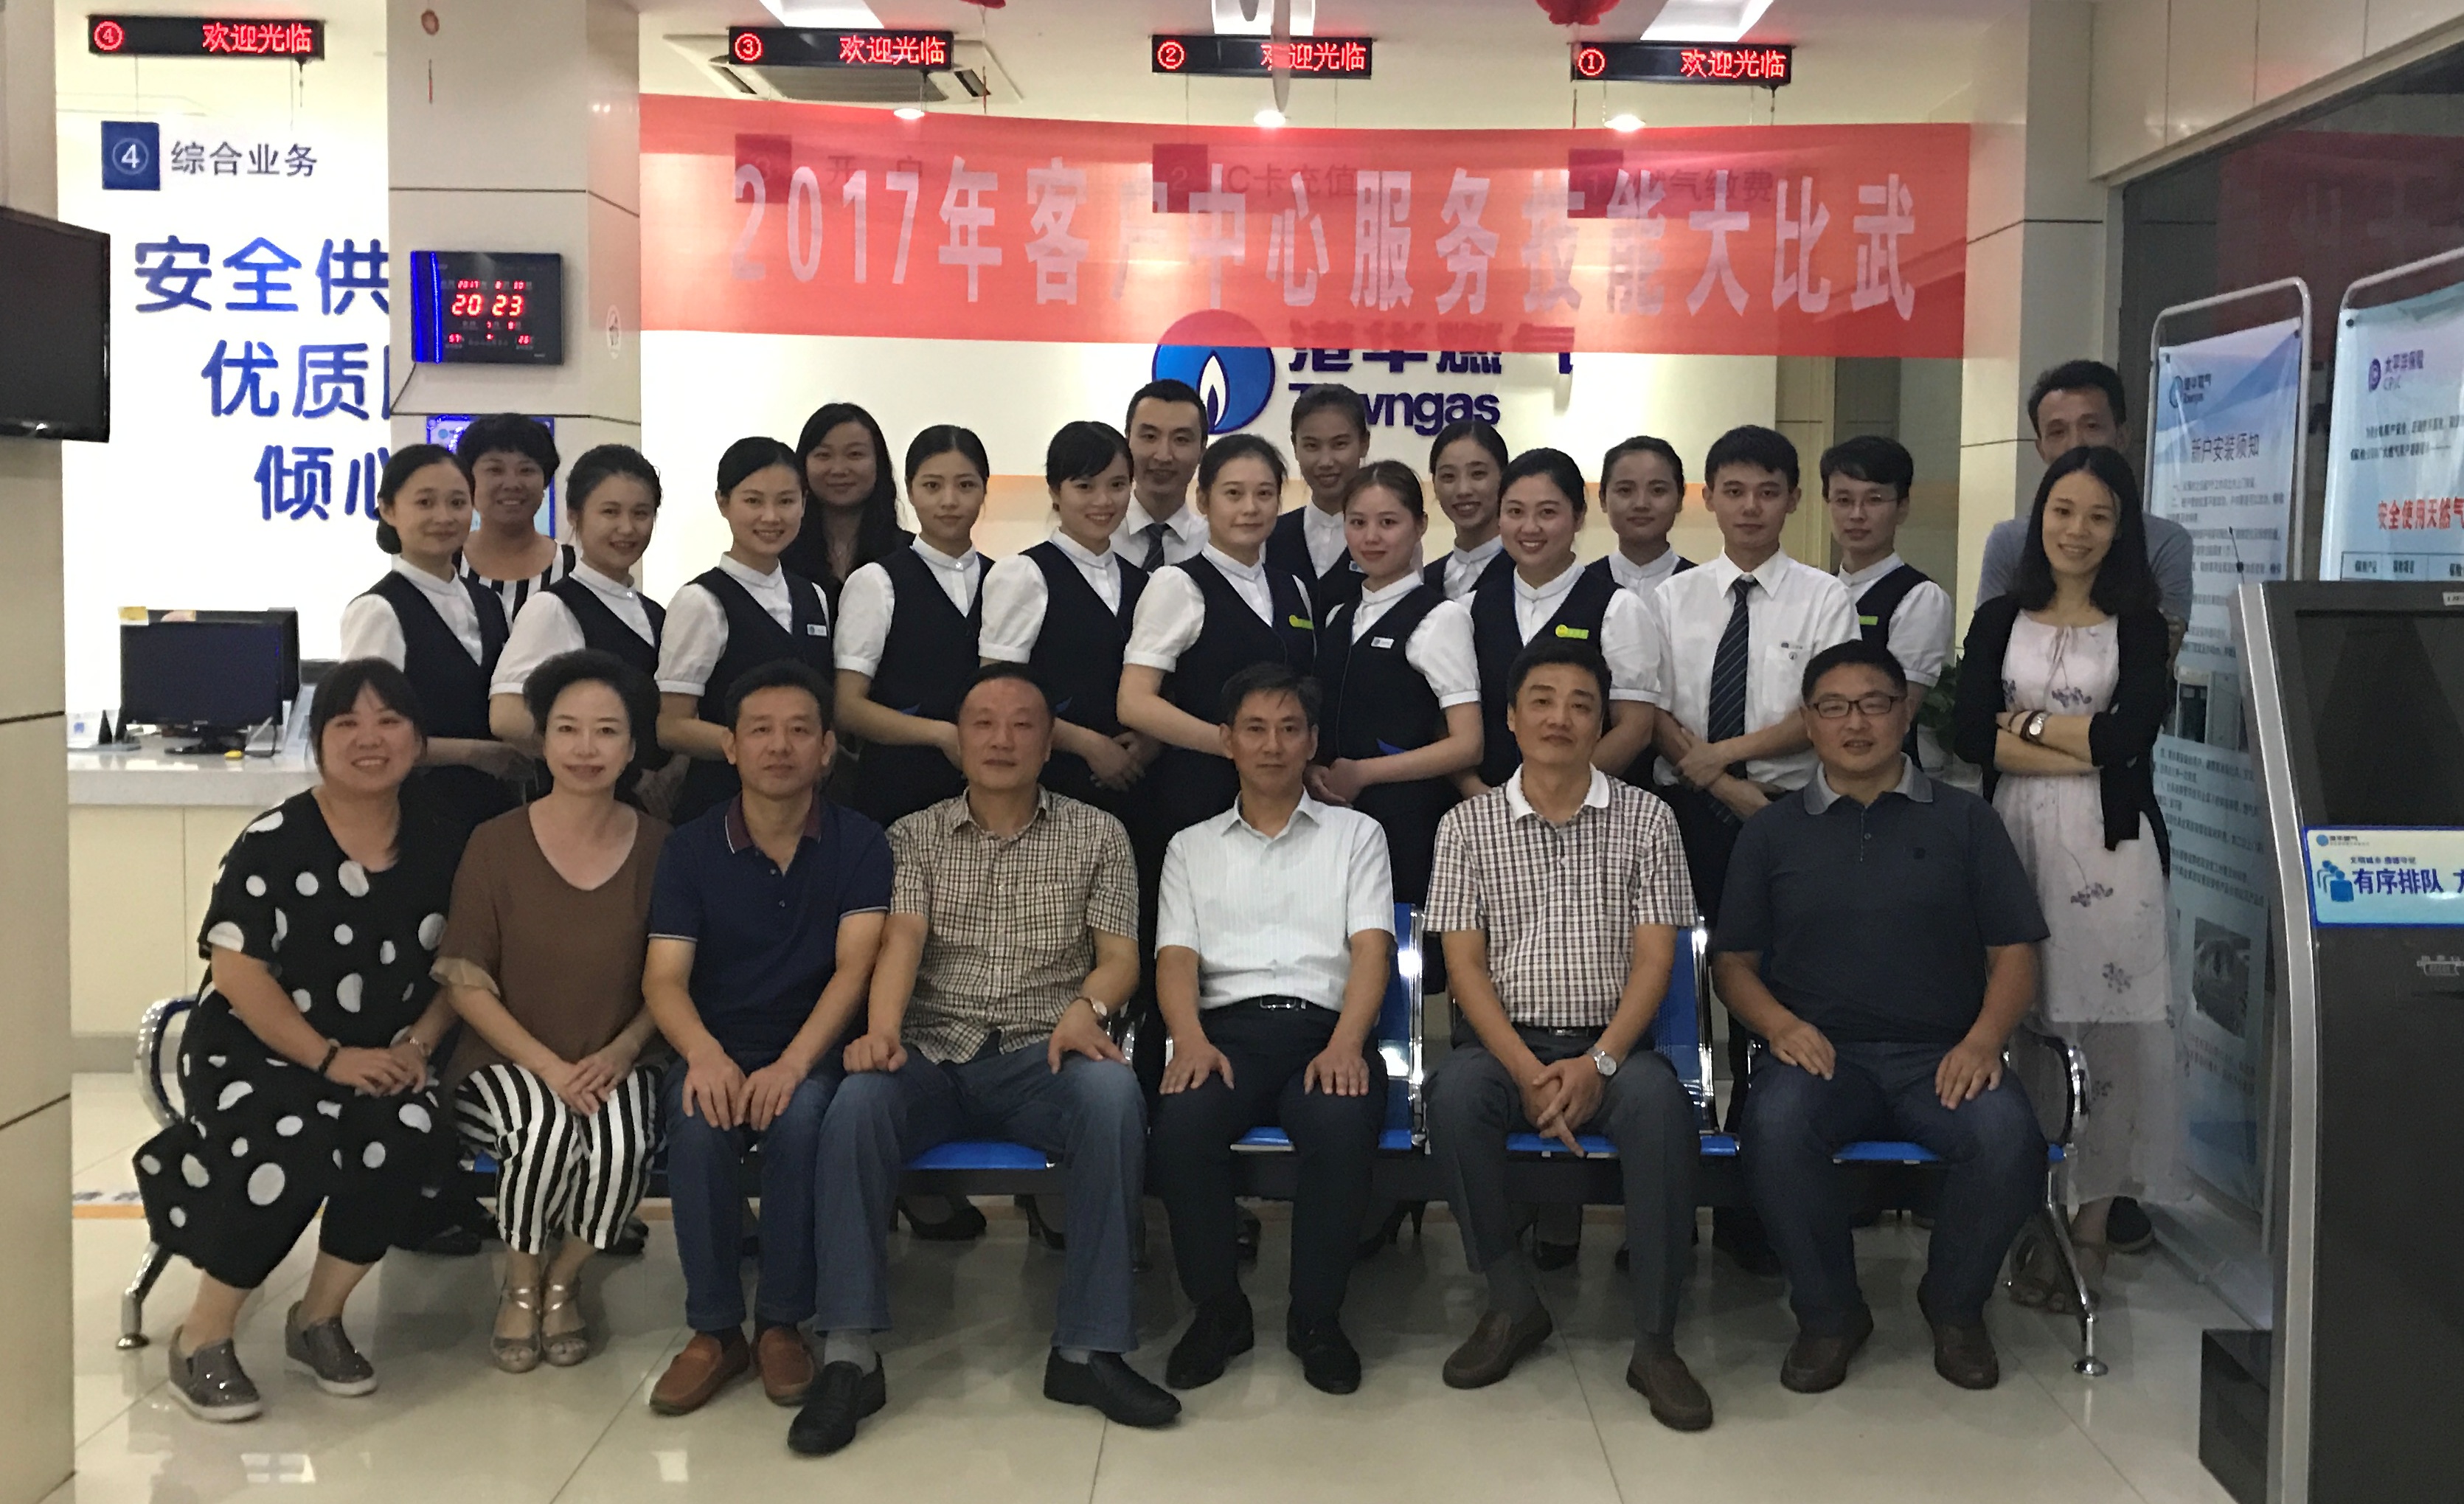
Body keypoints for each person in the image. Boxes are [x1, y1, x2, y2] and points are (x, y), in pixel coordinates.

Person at [805, 666, 1171, 1455]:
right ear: (958, 739)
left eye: (1022, 724)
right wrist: (881, 1031)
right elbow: (900, 938)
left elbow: (1119, 957)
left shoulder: (1098, 833)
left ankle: (1088, 1349)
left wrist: (1087, 1008)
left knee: (1112, 1097)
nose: (1002, 739)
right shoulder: (912, 834)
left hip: (1047, 1049)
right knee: (856, 1102)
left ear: (1049, 741)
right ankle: (847, 1353)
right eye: (983, 723)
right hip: (932, 1049)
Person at [136, 660, 469, 1421]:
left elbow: (463, 968)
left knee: (406, 1129)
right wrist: (328, 1058)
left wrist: (418, 1046)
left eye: (389, 721)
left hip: (383, 1051)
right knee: (288, 1144)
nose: (369, 738)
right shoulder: (274, 840)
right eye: (346, 723)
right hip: (256, 1048)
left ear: (419, 741)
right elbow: (237, 970)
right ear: (317, 744)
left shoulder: (444, 845)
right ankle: (202, 1333)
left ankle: (317, 1316)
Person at [1715, 640, 2050, 1393]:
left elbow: (2014, 951)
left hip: (1942, 1053)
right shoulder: (1771, 831)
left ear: (1903, 713)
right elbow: (1732, 964)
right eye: (1833, 707)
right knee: (1773, 1130)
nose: (1854, 723)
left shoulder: (1966, 820)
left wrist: (1983, 1041)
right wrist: (1780, 1026)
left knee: (2007, 1139)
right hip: (1821, 1055)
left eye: (1873, 704)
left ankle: (1954, 1305)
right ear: (1808, 722)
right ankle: (1829, 1314)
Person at [1421, 640, 1712, 1432]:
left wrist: (1598, 1061)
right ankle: (1511, 1301)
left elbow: (1656, 960)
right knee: (1452, 1096)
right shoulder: (1465, 825)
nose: (1559, 717)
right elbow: (1464, 967)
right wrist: (1524, 1068)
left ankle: (1655, 1340)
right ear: (1511, 718)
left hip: (1614, 1049)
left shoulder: (1648, 819)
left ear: (1601, 723)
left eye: (1581, 704)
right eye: (1541, 701)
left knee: (1661, 1109)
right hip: (1503, 1047)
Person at [1954, 445, 2173, 1310]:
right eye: (2061, 510)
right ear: (2037, 516)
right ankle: (2025, 1211)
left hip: (2111, 852)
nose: (2075, 530)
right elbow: (1969, 732)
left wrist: (2027, 724)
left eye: (2097, 516)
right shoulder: (1998, 617)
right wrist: (2075, 739)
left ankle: (2089, 1228)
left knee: (2107, 1033)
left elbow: (2127, 739)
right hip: (2010, 838)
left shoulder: (2139, 625)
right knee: (2018, 1020)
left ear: (2119, 531)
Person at [640, 661, 892, 1415]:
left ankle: (781, 1319)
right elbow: (663, 979)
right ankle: (715, 1328)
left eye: (799, 730)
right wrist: (704, 1055)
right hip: (713, 1043)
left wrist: (791, 1063)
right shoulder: (689, 848)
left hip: (812, 1046)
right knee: (696, 1124)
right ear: (730, 745)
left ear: (826, 748)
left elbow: (854, 969)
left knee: (802, 1117)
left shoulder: (860, 843)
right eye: (759, 730)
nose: (779, 746)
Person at [1151, 664, 1395, 1396]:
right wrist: (1188, 1040)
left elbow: (1371, 949)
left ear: (1311, 741)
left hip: (1325, 1029)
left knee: (1340, 1122)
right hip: (1224, 1033)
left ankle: (1315, 1318)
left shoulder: (1357, 834)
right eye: (1254, 729)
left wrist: (1347, 1042)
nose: (1272, 745)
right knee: (1182, 1123)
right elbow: (1174, 958)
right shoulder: (1190, 846)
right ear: (1226, 740)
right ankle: (1218, 1312)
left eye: (1289, 729)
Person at [1648, 424, 1856, 1275]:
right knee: (1673, 998)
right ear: (1709, 498)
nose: (1749, 508)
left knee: (1766, 1000)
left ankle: (1756, 1206)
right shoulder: (1671, 597)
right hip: (1680, 815)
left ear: (1792, 500)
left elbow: (1823, 709)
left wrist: (1725, 765)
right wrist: (1708, 777)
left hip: (1784, 810)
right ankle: (1667, 1199)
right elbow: (1652, 706)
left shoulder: (1823, 597)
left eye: (1767, 492)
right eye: (1732, 491)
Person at [436, 651, 670, 1373]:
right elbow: (465, 981)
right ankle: (519, 1281)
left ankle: (564, 1277)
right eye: (567, 728)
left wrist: (622, 1051)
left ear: (632, 745)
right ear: (541, 739)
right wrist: (547, 1068)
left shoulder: (662, 848)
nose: (585, 747)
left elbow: (671, 980)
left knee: (620, 1144)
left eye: (606, 730)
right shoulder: (494, 842)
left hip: (618, 1056)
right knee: (541, 1132)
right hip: (504, 1059)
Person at [1119, 434, 1317, 839]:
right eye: (1233, 494)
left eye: (1264, 494)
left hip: (1284, 796)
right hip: (1200, 793)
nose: (1250, 508)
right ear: (1204, 501)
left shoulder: (1293, 588)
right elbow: (1134, 703)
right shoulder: (1177, 584)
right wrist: (1234, 745)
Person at [1308, 462, 1482, 902]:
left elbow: (1467, 744)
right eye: (1358, 523)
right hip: (1331, 820)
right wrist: (1313, 770)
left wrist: (1364, 772)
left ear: (1419, 526)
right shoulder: (1338, 617)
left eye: (1388, 523)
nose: (1371, 537)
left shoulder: (1441, 618)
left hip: (1408, 822)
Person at [339, 445, 528, 834]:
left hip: (493, 815)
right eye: (425, 503)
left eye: (457, 503)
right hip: (416, 817)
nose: (444, 517)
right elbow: (366, 736)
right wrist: (473, 753)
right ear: (389, 510)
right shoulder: (379, 610)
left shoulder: (488, 602)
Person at [979, 420, 1158, 818]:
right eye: (1085, 487)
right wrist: (1089, 745)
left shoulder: (1143, 582)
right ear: (1055, 491)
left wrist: (1150, 742)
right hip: (1051, 787)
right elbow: (997, 691)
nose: (1103, 501)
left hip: (1137, 787)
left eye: (1117, 485)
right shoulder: (1024, 574)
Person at [656, 437, 835, 825]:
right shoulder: (701, 601)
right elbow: (670, 725)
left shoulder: (813, 595)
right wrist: (755, 748)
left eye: (786, 501)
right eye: (753, 501)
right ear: (723, 503)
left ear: (804, 503)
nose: (771, 517)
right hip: (723, 806)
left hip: (803, 807)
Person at [1465, 447, 1664, 793]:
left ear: (1578, 517)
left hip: (1591, 807)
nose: (1530, 527)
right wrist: (1483, 798)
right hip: (1487, 809)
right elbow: (1451, 721)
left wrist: (1554, 795)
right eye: (1515, 512)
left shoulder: (1618, 609)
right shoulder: (1469, 608)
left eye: (1547, 512)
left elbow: (1634, 729)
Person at [836, 425, 991, 828]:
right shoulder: (877, 582)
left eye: (966, 485)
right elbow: (848, 706)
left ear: (984, 490)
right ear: (910, 490)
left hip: (990, 796)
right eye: (932, 486)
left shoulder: (1005, 579)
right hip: (899, 789)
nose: (949, 501)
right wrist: (939, 734)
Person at [1974, 360, 2193, 624]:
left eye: (2091, 426)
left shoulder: (2166, 542)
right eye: (2057, 432)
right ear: (2041, 449)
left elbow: (2164, 644)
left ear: (2122, 437)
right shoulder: (2008, 542)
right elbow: (1990, 637)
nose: (2076, 443)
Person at [489, 446, 666, 752]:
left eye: (641, 513)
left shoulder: (654, 613)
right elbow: (507, 717)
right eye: (610, 512)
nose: (627, 528)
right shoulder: (553, 607)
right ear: (575, 516)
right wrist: (588, 757)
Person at [1823, 434, 1952, 767]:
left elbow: (1895, 711)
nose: (1857, 514)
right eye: (1843, 500)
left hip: (1879, 773)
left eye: (1874, 499)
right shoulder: (1816, 591)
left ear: (1902, 507)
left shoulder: (1919, 597)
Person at [779, 401, 911, 614]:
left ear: (879, 463)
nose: (839, 469)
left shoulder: (910, 556)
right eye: (824, 455)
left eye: (855, 454)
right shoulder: (779, 558)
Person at [454, 413, 575, 620]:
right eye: (495, 470)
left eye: (526, 470)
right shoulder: (444, 563)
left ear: (545, 481)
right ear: (468, 479)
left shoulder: (574, 569)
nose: (512, 484)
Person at [1268, 383, 1371, 613]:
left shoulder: (1385, 538)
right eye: (1312, 446)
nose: (1326, 461)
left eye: (1340, 444)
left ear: (1364, 443)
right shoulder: (1269, 535)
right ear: (1295, 446)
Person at [1114, 378, 1211, 569]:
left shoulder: (1216, 546)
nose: (1163, 456)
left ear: (1202, 449)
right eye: (1150, 437)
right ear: (1127, 440)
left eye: (1181, 439)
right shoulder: (1095, 538)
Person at [1588, 436, 1696, 596]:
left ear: (1680, 499)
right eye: (1625, 490)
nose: (1641, 504)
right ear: (1603, 499)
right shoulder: (1579, 587)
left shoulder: (1705, 588)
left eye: (1658, 490)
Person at [1423, 418, 1513, 602]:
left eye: (1478, 474)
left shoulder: (1525, 575)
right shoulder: (1425, 581)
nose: (1463, 490)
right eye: (1448, 476)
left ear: (1504, 477)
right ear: (1434, 483)